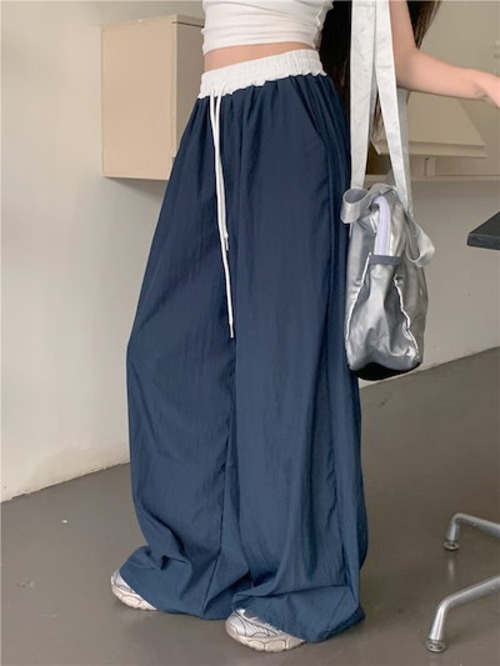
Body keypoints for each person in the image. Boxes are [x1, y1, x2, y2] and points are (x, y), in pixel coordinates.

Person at [110, 0, 500, 654]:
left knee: (287, 362)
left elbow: (401, 59)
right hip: (211, 122)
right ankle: (198, 557)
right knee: (168, 348)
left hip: (290, 119)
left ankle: (302, 584)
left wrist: (488, 84)